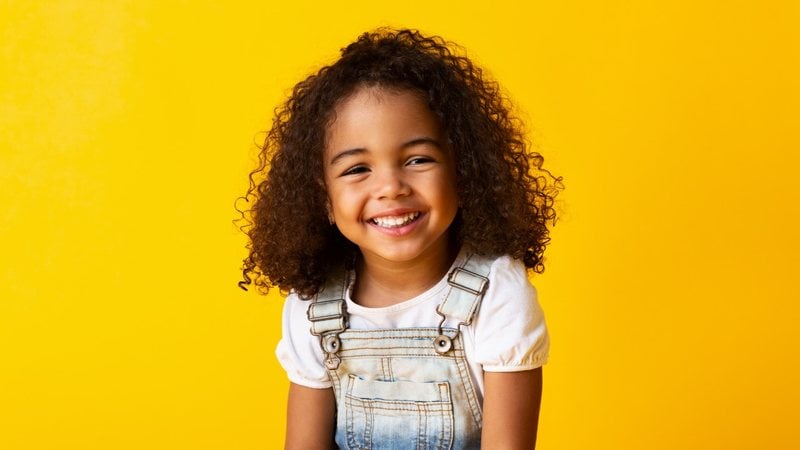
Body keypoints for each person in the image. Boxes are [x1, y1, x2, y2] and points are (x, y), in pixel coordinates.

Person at [238, 28, 562, 449]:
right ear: (323, 198)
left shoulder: (497, 294)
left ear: (463, 171)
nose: (391, 187)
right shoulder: (313, 306)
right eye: (357, 169)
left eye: (417, 159)